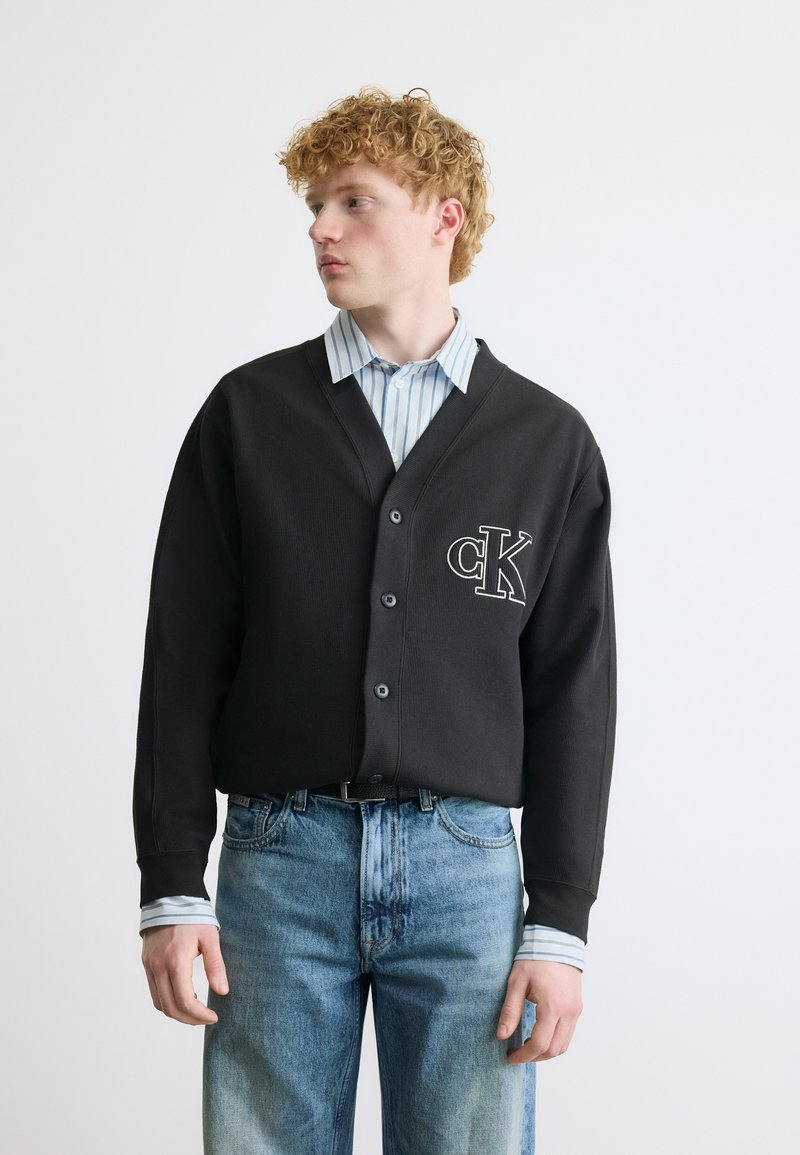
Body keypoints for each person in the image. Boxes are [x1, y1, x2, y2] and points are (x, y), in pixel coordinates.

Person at [133, 85, 617, 1155]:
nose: (321, 227)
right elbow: (182, 662)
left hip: (466, 870)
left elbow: (574, 693)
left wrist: (559, 922)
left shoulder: (546, 442)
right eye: (315, 204)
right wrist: (171, 885)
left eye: (354, 201)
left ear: (444, 216)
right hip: (278, 860)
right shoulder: (248, 415)